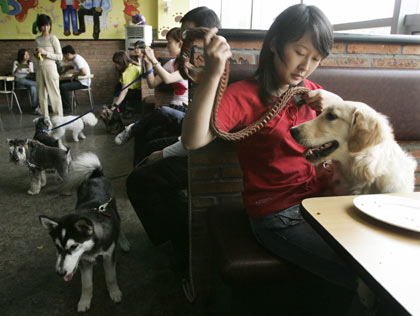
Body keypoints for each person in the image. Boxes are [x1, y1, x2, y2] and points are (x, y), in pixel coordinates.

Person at [181, 4, 377, 314]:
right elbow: (192, 141)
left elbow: (359, 138)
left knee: (378, 259)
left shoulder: (314, 94)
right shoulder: (244, 94)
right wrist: (214, 73)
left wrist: (337, 102)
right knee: (368, 276)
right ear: (275, 43)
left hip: (320, 206)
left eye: (315, 59)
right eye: (300, 52)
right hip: (277, 216)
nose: (305, 66)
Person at [126, 6, 221, 275]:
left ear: (208, 34)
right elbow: (156, 83)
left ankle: (184, 244)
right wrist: (147, 59)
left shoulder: (212, 66)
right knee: (149, 146)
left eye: (188, 35)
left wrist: (165, 154)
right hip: (193, 137)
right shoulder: (192, 63)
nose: (184, 41)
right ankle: (172, 234)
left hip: (208, 151)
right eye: (182, 37)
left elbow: (200, 137)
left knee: (142, 177)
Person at [114, 27, 188, 146]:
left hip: (184, 109)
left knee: (162, 113)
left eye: (169, 42)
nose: (167, 46)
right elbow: (152, 83)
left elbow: (168, 79)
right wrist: (148, 65)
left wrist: (153, 59)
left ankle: (132, 128)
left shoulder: (188, 64)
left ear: (180, 43)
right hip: (173, 107)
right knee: (144, 136)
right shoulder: (170, 63)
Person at [35, 14, 63, 118]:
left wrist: (46, 53)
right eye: (43, 25)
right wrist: (37, 55)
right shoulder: (37, 39)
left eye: (47, 25)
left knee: (54, 94)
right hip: (39, 68)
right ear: (39, 26)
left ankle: (59, 118)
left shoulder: (53, 38)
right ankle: (45, 118)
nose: (46, 28)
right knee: (41, 96)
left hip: (51, 68)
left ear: (50, 25)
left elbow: (60, 57)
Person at [59, 45, 91, 114]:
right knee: (60, 83)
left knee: (63, 87)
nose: (65, 58)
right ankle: (62, 105)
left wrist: (75, 74)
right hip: (79, 80)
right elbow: (72, 66)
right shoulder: (75, 59)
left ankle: (67, 108)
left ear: (68, 54)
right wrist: (65, 70)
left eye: (65, 56)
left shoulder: (77, 59)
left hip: (83, 83)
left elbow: (84, 72)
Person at [112, 50, 143, 119]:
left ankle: (118, 110)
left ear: (120, 62)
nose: (115, 65)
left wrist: (116, 105)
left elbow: (124, 91)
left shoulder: (128, 71)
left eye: (116, 63)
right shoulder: (131, 65)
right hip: (137, 89)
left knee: (121, 92)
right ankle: (115, 108)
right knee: (118, 85)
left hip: (138, 92)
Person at [12, 48, 40, 115]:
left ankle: (35, 108)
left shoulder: (30, 63)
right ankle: (39, 84)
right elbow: (13, 74)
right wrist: (17, 69)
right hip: (19, 80)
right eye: (25, 54)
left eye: (28, 54)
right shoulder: (16, 62)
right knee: (35, 84)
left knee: (33, 88)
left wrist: (30, 71)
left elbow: (32, 74)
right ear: (21, 55)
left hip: (28, 80)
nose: (27, 56)